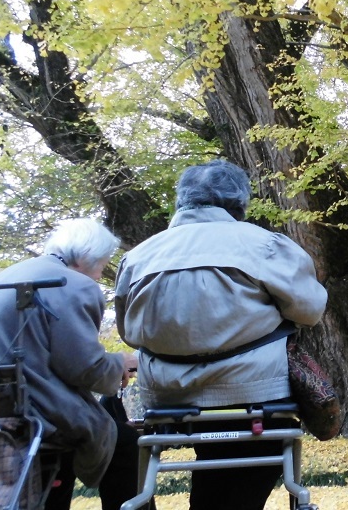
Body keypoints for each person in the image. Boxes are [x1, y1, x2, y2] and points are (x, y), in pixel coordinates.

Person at [114, 159, 329, 510]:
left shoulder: (138, 257)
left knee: (215, 455)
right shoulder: (264, 245)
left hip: (168, 394)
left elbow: (127, 332)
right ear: (239, 202)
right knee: (259, 449)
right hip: (252, 390)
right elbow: (310, 310)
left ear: (181, 201)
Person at [0, 219, 149, 510]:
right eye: (102, 265)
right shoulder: (75, 284)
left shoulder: (6, 275)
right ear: (86, 257)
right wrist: (120, 363)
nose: (100, 274)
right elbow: (84, 368)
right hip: (36, 410)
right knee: (126, 442)